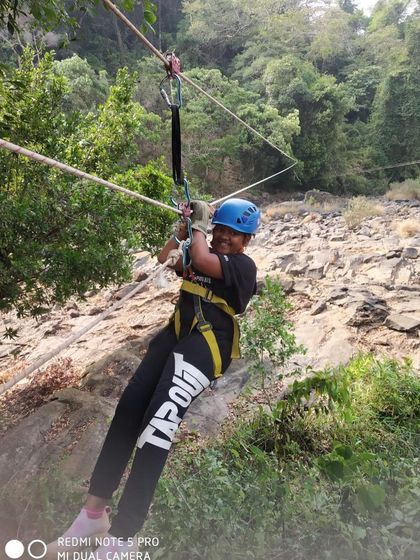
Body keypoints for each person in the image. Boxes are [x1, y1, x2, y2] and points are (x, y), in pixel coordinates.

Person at [47, 197, 261, 559]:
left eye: (234, 234)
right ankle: (92, 515)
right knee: (129, 410)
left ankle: (123, 538)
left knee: (157, 427)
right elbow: (166, 258)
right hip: (176, 336)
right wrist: (183, 229)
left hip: (208, 345)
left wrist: (200, 227)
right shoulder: (198, 247)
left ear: (246, 241)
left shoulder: (243, 266)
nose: (225, 237)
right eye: (221, 230)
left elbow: (207, 260)